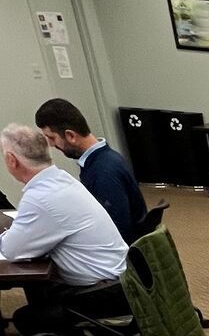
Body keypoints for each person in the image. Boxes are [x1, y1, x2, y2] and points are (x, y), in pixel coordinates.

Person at [1, 122, 128, 328]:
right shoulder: (61, 179)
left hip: (105, 293)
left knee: (26, 319)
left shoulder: (41, 197)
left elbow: (11, 250)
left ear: (11, 160)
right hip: (122, 280)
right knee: (39, 287)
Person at [35, 98, 147, 240]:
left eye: (52, 138)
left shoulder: (104, 172)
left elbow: (117, 231)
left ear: (70, 136)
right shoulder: (104, 159)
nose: (51, 144)